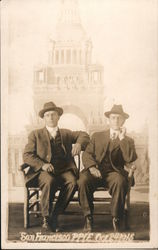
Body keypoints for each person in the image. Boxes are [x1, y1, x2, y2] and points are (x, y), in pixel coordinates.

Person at [23, 101, 89, 232]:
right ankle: (46, 218)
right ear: (44, 118)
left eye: (53, 114)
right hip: (44, 172)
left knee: (72, 182)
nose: (51, 117)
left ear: (59, 117)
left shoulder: (66, 133)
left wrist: (79, 144)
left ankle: (55, 215)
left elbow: (84, 135)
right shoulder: (35, 134)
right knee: (49, 181)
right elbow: (27, 155)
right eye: (47, 115)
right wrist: (42, 165)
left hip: (64, 169)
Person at [77, 104, 137, 232]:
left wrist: (122, 139)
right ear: (108, 120)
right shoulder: (97, 136)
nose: (115, 121)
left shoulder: (128, 140)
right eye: (113, 118)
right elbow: (87, 154)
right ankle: (88, 217)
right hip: (95, 171)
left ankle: (116, 218)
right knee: (82, 181)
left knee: (120, 182)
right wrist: (92, 168)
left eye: (118, 118)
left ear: (123, 121)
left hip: (113, 173)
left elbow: (129, 158)